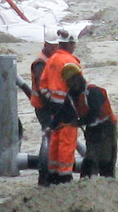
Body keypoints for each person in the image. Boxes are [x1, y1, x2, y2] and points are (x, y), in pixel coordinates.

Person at [34, 29, 85, 185]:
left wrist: (52, 103)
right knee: (67, 143)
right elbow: (79, 88)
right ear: (69, 43)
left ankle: (53, 174)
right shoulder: (70, 62)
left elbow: (42, 85)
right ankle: (65, 177)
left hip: (54, 109)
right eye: (74, 43)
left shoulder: (52, 59)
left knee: (55, 141)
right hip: (68, 110)